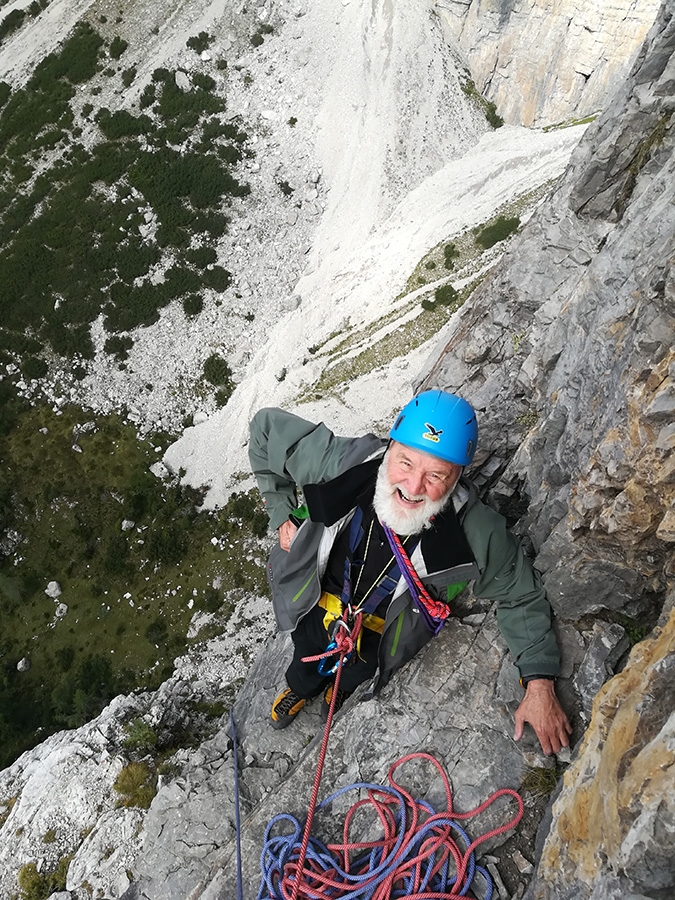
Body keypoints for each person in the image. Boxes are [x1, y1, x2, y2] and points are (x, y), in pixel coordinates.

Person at [248, 390, 572, 755]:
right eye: (405, 463)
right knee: (305, 654)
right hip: (316, 605)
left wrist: (539, 684)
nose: (414, 487)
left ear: (457, 477)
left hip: (379, 635)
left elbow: (519, 591)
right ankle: (300, 687)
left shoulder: (474, 529)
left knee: (357, 669)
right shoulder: (344, 463)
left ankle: (336, 694)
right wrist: (280, 512)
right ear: (391, 447)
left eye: (436, 475)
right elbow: (264, 428)